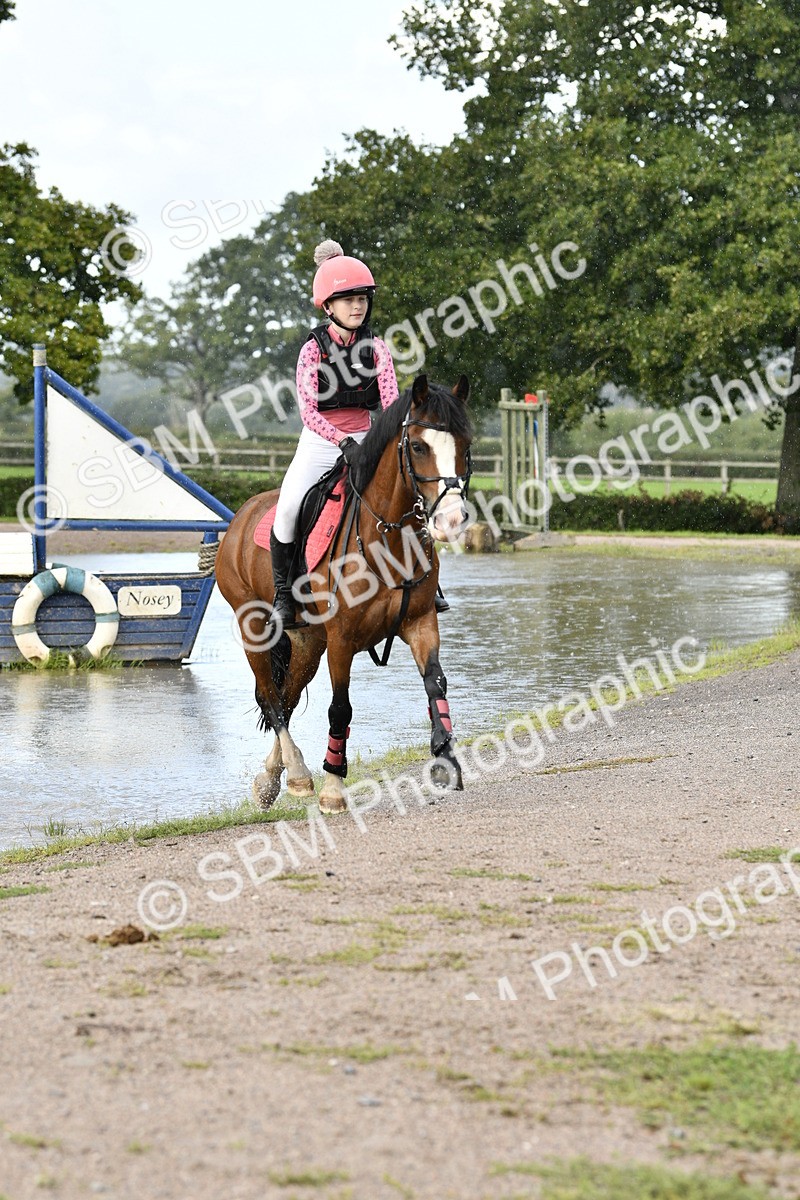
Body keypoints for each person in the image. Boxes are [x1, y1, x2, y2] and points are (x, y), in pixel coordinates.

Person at [269, 239, 400, 626]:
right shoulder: (312, 351)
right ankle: (283, 595)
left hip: (366, 440)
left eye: (362, 298)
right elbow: (308, 413)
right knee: (288, 509)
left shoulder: (377, 349)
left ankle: (427, 584)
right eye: (348, 300)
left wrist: (380, 442)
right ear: (328, 306)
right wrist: (342, 442)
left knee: (407, 496)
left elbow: (390, 404)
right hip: (321, 445)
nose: (357, 306)